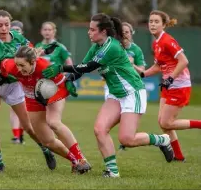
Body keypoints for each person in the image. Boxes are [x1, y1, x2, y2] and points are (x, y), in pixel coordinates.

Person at [42, 13, 174, 178]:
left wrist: (61, 69)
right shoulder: (96, 46)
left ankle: (162, 140)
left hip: (133, 93)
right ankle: (112, 171)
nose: (89, 33)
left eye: (92, 29)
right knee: (99, 129)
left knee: (127, 139)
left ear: (103, 31)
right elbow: (82, 67)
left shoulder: (112, 46)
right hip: (115, 94)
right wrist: (70, 79)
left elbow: (89, 66)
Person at [0, 6, 56, 172]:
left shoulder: (19, 39)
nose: (4, 28)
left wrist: (39, 52)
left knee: (28, 127)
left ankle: (45, 149)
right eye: (0, 25)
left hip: (14, 85)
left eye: (6, 24)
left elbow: (31, 55)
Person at [0, 46, 92, 173]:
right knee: (47, 141)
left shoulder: (44, 67)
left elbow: (62, 84)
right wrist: (3, 77)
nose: (19, 69)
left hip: (53, 93)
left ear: (32, 62)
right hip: (32, 99)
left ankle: (81, 159)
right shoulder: (12, 66)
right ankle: (75, 162)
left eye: (22, 65)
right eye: (17, 65)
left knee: (53, 122)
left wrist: (70, 85)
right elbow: (2, 65)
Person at [141, 10, 201, 162]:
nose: (152, 24)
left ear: (163, 25)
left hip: (179, 86)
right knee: (164, 124)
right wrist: (142, 74)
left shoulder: (167, 40)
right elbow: (158, 67)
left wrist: (171, 79)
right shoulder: (156, 43)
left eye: (156, 22)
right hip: (168, 86)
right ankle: (179, 156)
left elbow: (184, 61)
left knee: (166, 122)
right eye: (151, 21)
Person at [117, 22, 146, 151]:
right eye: (122, 32)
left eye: (127, 32)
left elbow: (142, 72)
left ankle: (127, 139)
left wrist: (132, 65)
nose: (124, 35)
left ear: (131, 33)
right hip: (115, 88)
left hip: (132, 88)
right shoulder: (115, 48)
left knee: (127, 116)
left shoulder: (136, 50)